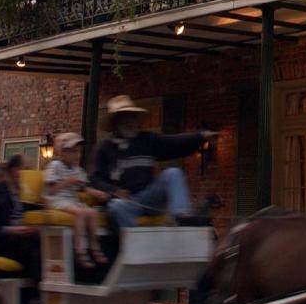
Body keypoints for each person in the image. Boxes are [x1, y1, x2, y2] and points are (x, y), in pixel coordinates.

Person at [90, 95, 216, 229]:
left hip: (150, 197)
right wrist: (113, 190)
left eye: (133, 117)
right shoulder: (104, 148)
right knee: (116, 206)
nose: (132, 122)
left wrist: (200, 136)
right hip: (127, 202)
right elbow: (95, 178)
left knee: (173, 173)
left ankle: (182, 217)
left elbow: (174, 142)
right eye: (126, 118)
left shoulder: (147, 140)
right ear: (116, 122)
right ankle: (138, 244)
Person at [0, 162, 41, 304]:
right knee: (33, 251)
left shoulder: (28, 194)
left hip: (24, 237)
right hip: (0, 241)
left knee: (50, 246)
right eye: (25, 169)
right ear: (14, 171)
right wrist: (13, 230)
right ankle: (35, 299)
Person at [43, 133, 108, 266]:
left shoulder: (77, 170)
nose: (77, 155)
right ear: (62, 152)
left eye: (78, 152)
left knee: (93, 212)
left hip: (71, 201)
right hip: (56, 199)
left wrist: (97, 192)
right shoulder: (55, 166)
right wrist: (68, 182)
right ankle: (80, 250)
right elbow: (50, 190)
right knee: (81, 212)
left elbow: (84, 187)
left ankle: (94, 245)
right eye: (72, 152)